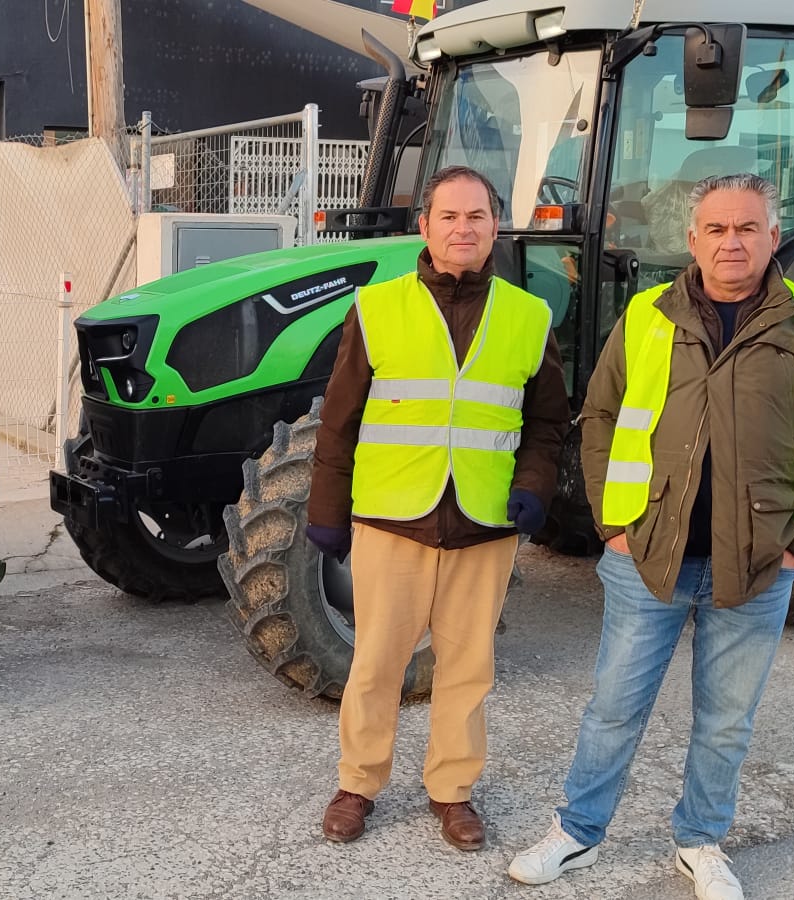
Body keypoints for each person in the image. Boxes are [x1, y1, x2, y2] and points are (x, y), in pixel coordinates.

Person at [507, 173, 794, 899]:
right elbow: (603, 415)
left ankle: (700, 842)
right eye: (716, 229)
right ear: (692, 240)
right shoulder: (647, 315)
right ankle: (577, 832)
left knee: (726, 720)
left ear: (773, 237)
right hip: (649, 557)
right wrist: (615, 526)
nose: (731, 241)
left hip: (758, 563)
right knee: (614, 707)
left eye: (746, 229)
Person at [307, 165, 570, 851]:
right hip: (392, 519)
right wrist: (328, 511)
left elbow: (548, 425)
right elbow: (338, 423)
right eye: (448, 217)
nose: (463, 229)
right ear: (424, 226)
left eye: (476, 216)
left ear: (494, 226)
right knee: (376, 663)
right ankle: (357, 785)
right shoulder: (376, 308)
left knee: (468, 668)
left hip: (483, 524)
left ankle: (452, 791)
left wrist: (535, 488)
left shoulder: (528, 316)